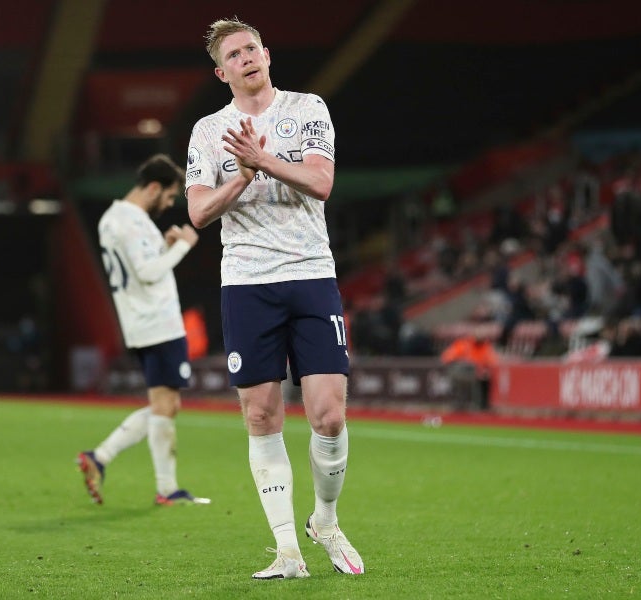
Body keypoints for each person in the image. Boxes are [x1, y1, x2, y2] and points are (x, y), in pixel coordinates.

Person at [185, 18, 363, 579]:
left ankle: (326, 521)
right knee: (260, 413)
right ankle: (286, 550)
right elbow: (197, 212)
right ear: (222, 72)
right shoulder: (208, 131)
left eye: (251, 48)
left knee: (329, 416)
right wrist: (238, 178)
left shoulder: (308, 108)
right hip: (246, 280)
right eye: (233, 55)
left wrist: (262, 162)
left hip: (311, 273)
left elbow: (321, 182)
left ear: (267, 53)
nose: (246, 59)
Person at [76, 154, 209, 507]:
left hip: (138, 321)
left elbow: (142, 266)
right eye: (167, 197)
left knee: (165, 404)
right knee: (166, 405)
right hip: (158, 322)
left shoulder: (113, 219)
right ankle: (164, 488)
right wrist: (183, 245)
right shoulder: (132, 222)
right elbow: (149, 274)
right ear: (153, 187)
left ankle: (101, 458)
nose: (168, 205)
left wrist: (163, 247)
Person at [440, 333, 499, 411]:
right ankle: (460, 404)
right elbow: (446, 358)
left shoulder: (486, 346)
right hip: (462, 373)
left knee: (485, 380)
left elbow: (492, 361)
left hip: (477, 375)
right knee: (461, 380)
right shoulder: (463, 345)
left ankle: (482, 405)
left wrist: (483, 371)